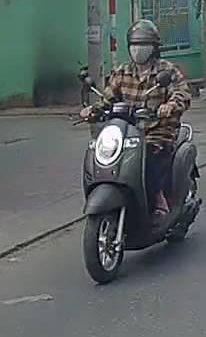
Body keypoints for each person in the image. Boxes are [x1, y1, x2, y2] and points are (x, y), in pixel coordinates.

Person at [81, 20, 191, 222]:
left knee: (145, 155)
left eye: (144, 45)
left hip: (156, 131)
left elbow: (182, 93)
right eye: (135, 45)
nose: (138, 50)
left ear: (154, 47)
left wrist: (170, 105)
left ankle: (158, 200)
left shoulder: (167, 71)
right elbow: (107, 100)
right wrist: (92, 111)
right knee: (99, 152)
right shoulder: (122, 72)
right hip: (125, 132)